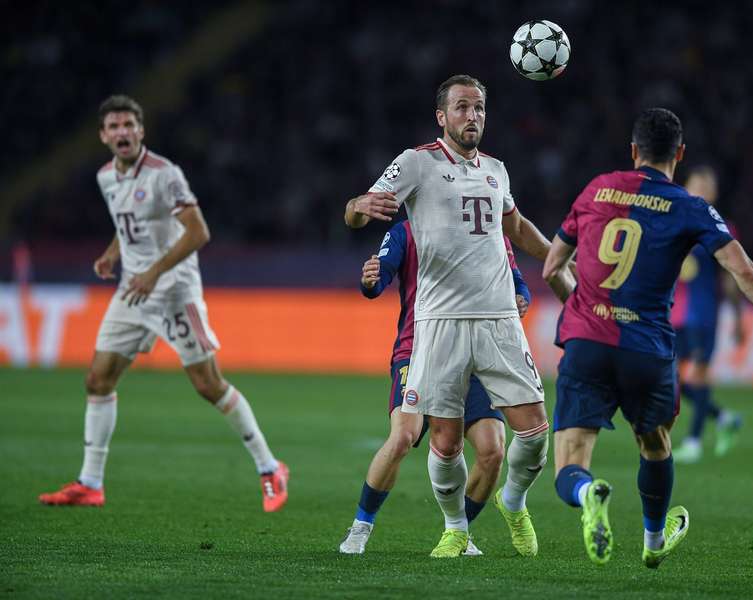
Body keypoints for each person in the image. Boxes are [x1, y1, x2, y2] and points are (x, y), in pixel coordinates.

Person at [542, 108, 753, 569]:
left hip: (588, 341)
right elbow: (743, 270)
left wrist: (580, 310)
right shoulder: (691, 207)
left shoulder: (597, 188)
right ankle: (654, 541)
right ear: (679, 155)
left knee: (570, 463)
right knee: (655, 446)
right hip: (647, 350)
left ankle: (587, 491)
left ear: (633, 151)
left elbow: (553, 267)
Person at [344, 74, 572, 558]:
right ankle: (455, 529)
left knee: (534, 430)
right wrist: (359, 206)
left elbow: (517, 228)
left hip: (499, 320)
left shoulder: (496, 170)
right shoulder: (416, 163)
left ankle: (513, 500)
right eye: (463, 107)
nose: (473, 116)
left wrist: (559, 255)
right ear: (442, 116)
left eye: (480, 107)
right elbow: (356, 213)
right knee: (445, 443)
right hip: (439, 323)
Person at [38, 95, 289, 511]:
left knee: (208, 384)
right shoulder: (106, 177)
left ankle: (270, 467)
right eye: (114, 126)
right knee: (98, 380)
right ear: (103, 136)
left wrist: (153, 272)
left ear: (141, 130)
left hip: (173, 290)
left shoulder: (164, 174)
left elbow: (198, 232)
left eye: (129, 125)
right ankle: (90, 483)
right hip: (133, 291)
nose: (122, 132)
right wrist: (112, 254)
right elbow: (128, 224)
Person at [338, 219, 531, 555]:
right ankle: (360, 527)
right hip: (419, 350)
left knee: (493, 450)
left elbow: (516, 280)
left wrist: (520, 297)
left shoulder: (487, 227)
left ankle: (459, 531)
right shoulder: (408, 231)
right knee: (403, 436)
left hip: (476, 350)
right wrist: (370, 281)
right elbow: (378, 278)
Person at [670, 167, 745, 464]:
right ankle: (724, 417)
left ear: (714, 194)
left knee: (699, 376)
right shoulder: (672, 221)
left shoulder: (720, 228)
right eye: (695, 185)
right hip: (673, 314)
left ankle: (693, 442)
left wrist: (737, 318)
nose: (699, 191)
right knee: (669, 379)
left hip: (703, 314)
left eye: (705, 187)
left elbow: (730, 276)